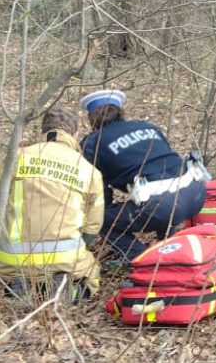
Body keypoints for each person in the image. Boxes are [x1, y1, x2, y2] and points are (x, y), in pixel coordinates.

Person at [0, 106, 105, 300]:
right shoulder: (89, 171)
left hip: (12, 258)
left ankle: (15, 286)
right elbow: (92, 227)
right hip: (66, 259)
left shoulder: (16, 157)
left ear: (42, 132)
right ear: (76, 133)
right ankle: (70, 291)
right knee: (91, 273)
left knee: (3, 270)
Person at [79, 89, 208, 261]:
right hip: (195, 194)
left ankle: (142, 260)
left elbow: (96, 183)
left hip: (161, 206)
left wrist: (106, 209)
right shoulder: (148, 127)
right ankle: (166, 248)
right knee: (161, 200)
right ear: (120, 111)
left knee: (101, 219)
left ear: (92, 119)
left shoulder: (93, 141)